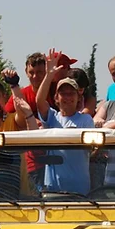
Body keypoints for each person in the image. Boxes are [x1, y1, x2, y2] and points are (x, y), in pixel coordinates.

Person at [36, 49, 94, 195]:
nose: (67, 97)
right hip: (53, 190)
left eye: (71, 93)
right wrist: (49, 75)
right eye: (63, 93)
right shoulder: (52, 117)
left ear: (78, 97)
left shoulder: (86, 120)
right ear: (56, 98)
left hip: (79, 190)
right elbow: (39, 101)